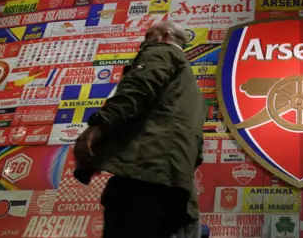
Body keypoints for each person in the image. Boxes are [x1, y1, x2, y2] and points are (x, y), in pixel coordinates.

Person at [73, 21, 206, 238]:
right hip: (176, 188)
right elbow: (197, 151)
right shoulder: (192, 91)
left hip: (142, 176)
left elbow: (137, 91)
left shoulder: (161, 53)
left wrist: (97, 128)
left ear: (164, 36)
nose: (143, 42)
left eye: (148, 36)